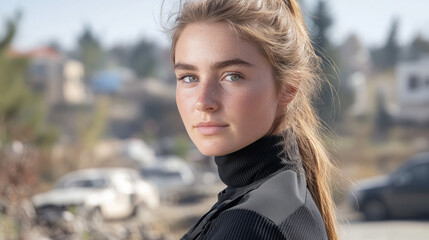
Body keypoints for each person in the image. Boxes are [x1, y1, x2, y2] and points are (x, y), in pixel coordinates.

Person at [170, 0, 338, 239]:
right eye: (188, 77)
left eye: (232, 76)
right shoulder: (281, 199)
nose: (203, 101)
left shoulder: (250, 224)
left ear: (288, 88)